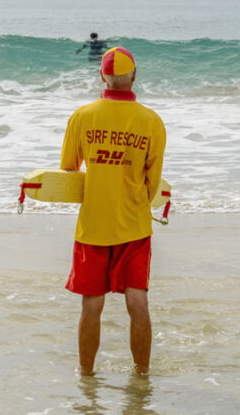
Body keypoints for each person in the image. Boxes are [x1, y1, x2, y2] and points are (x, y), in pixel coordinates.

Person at [60, 46, 167, 376]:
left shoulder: (83, 116)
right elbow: (153, 182)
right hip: (134, 226)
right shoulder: (151, 121)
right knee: (138, 303)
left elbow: (68, 171)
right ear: (134, 76)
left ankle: (86, 375)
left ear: (100, 76)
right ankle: (142, 374)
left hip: (93, 226)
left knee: (92, 304)